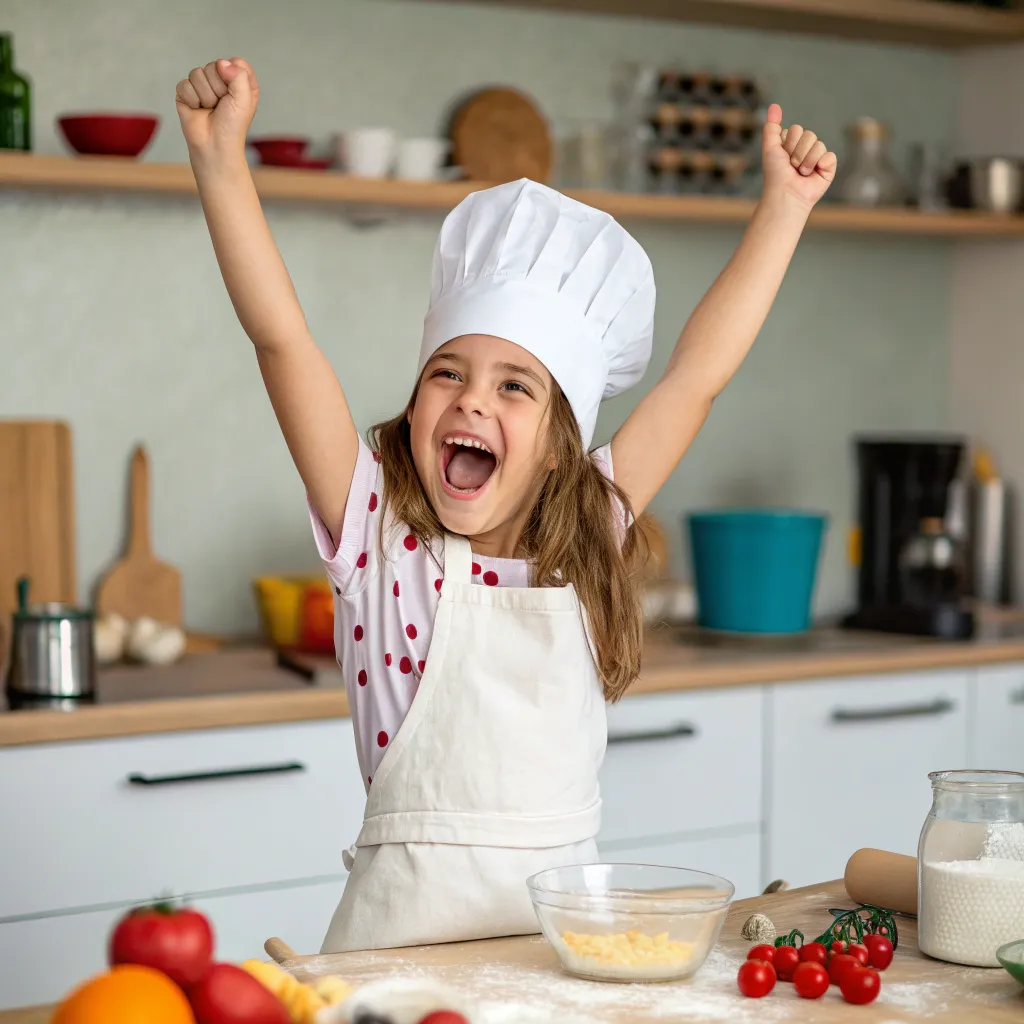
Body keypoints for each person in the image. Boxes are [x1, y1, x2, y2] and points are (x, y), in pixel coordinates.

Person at [175, 57, 837, 953]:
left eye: (515, 385)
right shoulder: (377, 537)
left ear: (562, 440)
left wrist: (783, 212)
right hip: (395, 955)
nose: (472, 400)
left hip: (559, 953)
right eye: (446, 371)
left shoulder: (588, 531)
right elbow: (281, 340)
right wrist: (221, 164)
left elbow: (695, 381)